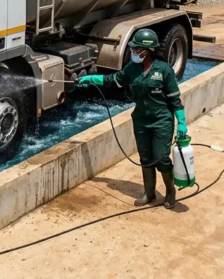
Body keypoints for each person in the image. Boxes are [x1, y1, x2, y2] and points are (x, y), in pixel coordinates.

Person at [77, 29, 187, 209]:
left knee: (161, 158)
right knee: (145, 158)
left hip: (162, 121)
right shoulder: (132, 69)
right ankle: (149, 193)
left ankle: (170, 190)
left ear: (148, 50)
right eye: (134, 49)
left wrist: (181, 123)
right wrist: (91, 79)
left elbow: (175, 100)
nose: (134, 52)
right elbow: (113, 79)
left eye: (137, 49)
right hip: (141, 121)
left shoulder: (164, 70)